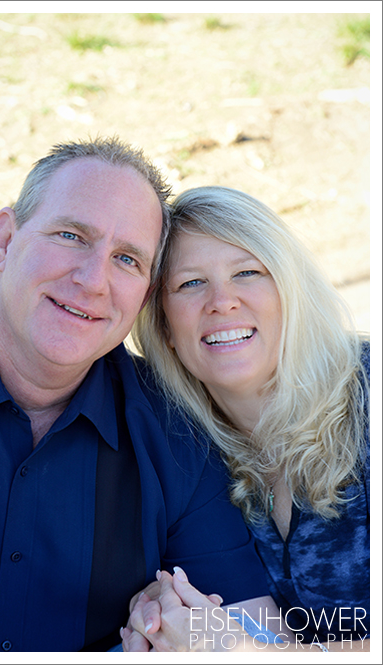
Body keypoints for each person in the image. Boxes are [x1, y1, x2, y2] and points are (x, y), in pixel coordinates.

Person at [0, 140, 281, 652]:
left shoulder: (175, 432)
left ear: (145, 295)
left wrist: (189, 632)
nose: (93, 281)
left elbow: (257, 634)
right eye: (71, 236)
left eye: (127, 259)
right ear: (6, 240)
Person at [124, 185, 370, 652]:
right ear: (164, 326)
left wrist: (252, 654)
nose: (223, 301)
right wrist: (165, 607)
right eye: (191, 283)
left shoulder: (368, 398)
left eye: (247, 272)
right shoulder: (188, 449)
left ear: (289, 290)